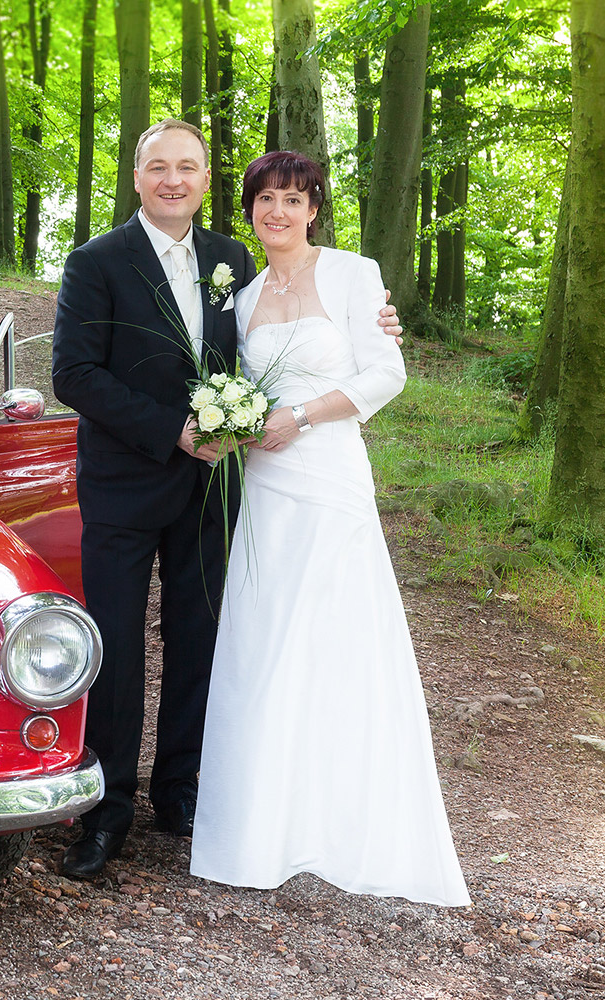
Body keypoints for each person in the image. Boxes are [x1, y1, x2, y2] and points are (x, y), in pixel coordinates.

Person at [50, 121, 402, 880]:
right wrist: (172, 430)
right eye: (157, 167)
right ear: (137, 176)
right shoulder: (95, 261)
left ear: (206, 180)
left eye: (187, 167)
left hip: (215, 487)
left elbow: (264, 351)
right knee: (112, 645)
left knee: (202, 637)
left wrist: (375, 323)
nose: (172, 179)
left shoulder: (229, 261)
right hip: (123, 483)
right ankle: (106, 809)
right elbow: (73, 375)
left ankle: (179, 792)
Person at [188, 150, 469, 906]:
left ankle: (347, 817)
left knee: (338, 634)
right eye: (263, 199)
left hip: (328, 472)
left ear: (313, 208)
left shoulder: (352, 274)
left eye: (292, 198)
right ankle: (261, 822)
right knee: (266, 636)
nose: (276, 211)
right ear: (247, 210)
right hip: (266, 485)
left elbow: (385, 373)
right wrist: (237, 423)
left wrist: (300, 417)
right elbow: (236, 386)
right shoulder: (239, 300)